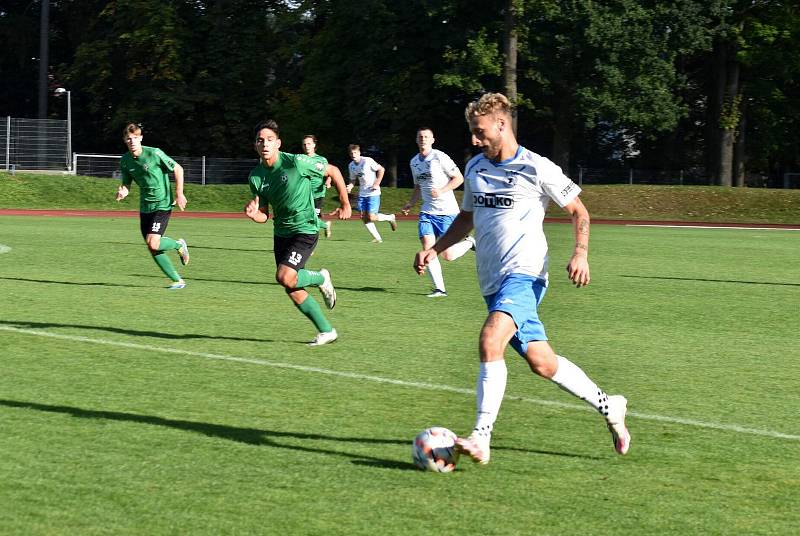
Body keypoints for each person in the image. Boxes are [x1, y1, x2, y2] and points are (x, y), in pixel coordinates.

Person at [414, 93, 630, 464]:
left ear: (502, 125)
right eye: (472, 132)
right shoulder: (476, 167)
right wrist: (435, 248)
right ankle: (610, 405)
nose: (474, 139)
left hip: (526, 274)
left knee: (490, 339)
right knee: (542, 362)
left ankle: (482, 436)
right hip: (492, 281)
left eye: (479, 132)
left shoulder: (536, 167)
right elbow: (466, 218)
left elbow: (579, 210)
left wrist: (580, 252)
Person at [245, 120, 352, 346]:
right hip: (281, 232)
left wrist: (345, 202)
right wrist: (255, 215)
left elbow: (332, 170)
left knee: (284, 276)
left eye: (270, 140)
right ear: (255, 145)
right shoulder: (256, 177)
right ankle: (327, 331)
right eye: (260, 140)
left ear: (278, 143)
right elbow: (264, 214)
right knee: (291, 286)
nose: (265, 144)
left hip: (305, 228)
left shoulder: (295, 162)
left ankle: (321, 277)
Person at [402, 127, 475, 298]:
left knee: (448, 255)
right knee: (427, 248)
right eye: (420, 136)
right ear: (416, 139)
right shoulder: (414, 162)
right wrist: (411, 203)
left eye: (426, 137)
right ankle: (439, 289)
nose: (423, 139)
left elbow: (459, 178)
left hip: (447, 211)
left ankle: (470, 242)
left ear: (433, 140)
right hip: (427, 212)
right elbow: (418, 186)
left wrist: (442, 190)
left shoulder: (440, 157)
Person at [115, 123, 190, 289]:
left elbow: (178, 169)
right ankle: (178, 281)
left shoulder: (154, 153)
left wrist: (179, 193)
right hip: (145, 207)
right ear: (124, 141)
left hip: (162, 203)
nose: (132, 141)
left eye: (135, 138)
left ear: (141, 138)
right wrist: (123, 192)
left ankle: (178, 245)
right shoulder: (126, 161)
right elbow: (126, 184)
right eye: (129, 138)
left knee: (154, 242)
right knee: (152, 247)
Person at [346, 144, 396, 242]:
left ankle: (390, 217)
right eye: (351, 153)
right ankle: (378, 238)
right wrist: (350, 186)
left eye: (355, 153)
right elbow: (352, 180)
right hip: (362, 194)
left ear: (359, 153)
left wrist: (377, 183)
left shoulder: (367, 161)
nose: (353, 155)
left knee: (371, 217)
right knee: (364, 217)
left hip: (373, 193)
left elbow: (381, 169)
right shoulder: (351, 166)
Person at [302, 134, 346, 239]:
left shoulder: (321, 159)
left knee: (312, 219)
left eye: (309, 143)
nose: (306, 146)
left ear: (314, 145)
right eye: (304, 144)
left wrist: (328, 181)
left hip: (317, 194)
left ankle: (309, 245)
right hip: (303, 194)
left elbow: (330, 172)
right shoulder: (301, 159)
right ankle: (325, 225)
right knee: (304, 219)